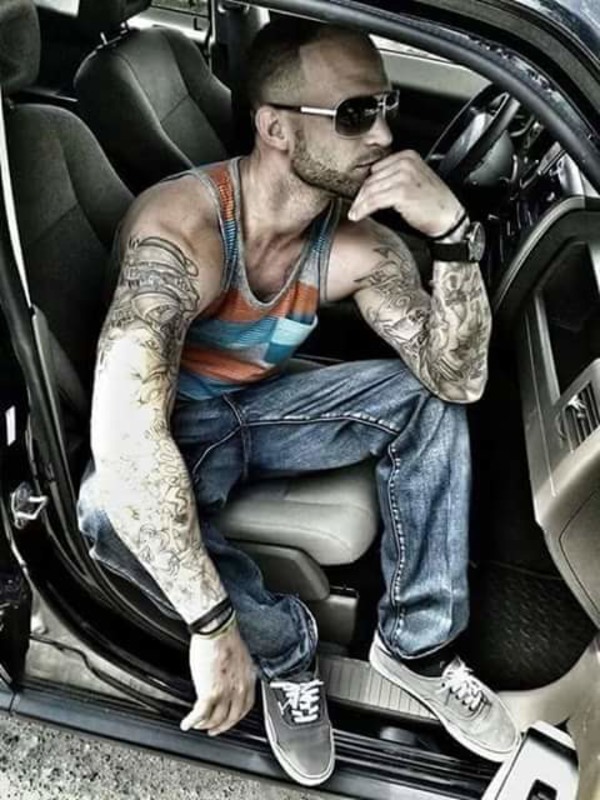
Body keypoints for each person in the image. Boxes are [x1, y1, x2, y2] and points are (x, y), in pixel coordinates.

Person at [78, 18, 520, 788]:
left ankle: (415, 646)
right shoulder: (179, 233)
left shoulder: (361, 247)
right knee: (108, 509)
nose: (385, 135)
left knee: (426, 400)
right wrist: (213, 624)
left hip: (262, 408)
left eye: (385, 106)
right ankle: (284, 651)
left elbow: (457, 380)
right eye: (356, 114)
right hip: (175, 424)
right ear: (277, 129)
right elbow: (126, 440)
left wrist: (453, 235)